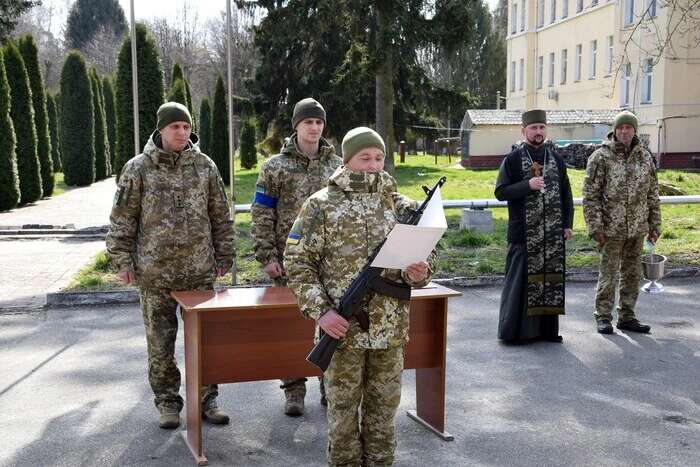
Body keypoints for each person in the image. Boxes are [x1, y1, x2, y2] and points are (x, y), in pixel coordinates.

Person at [285, 127, 434, 467]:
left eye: (379, 158)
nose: (372, 164)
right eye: (364, 157)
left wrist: (421, 272)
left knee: (383, 417)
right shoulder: (321, 205)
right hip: (342, 332)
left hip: (390, 331)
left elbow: (429, 255)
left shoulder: (401, 206)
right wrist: (321, 312)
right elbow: (298, 262)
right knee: (342, 418)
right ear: (348, 159)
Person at [106, 102, 234, 429]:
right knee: (161, 345)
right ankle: (168, 403)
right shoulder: (138, 169)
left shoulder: (204, 167)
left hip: (198, 272)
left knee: (205, 341)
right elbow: (122, 219)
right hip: (155, 275)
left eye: (186, 127)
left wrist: (224, 255)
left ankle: (208, 399)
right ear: (161, 129)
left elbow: (220, 215)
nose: (181, 132)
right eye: (175, 127)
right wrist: (121, 259)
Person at [251, 97, 342, 416]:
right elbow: (262, 212)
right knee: (292, 328)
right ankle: (293, 390)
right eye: (308, 122)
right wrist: (266, 255)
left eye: (318, 122)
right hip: (289, 261)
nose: (314, 128)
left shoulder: (337, 165)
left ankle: (330, 386)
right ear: (296, 126)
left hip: (330, 262)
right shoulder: (275, 166)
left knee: (331, 324)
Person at [495, 109, 574, 343]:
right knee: (521, 283)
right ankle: (517, 334)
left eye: (541, 127)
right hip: (523, 234)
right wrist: (527, 185)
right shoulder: (512, 160)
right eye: (533, 128)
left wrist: (567, 225)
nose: (538, 132)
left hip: (551, 236)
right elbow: (501, 192)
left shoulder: (556, 159)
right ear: (524, 131)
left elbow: (566, 194)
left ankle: (546, 332)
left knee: (549, 281)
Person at [583, 110, 661, 335]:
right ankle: (603, 316)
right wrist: (595, 227)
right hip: (610, 228)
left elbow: (652, 194)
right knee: (608, 273)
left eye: (628, 127)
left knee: (632, 273)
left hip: (637, 228)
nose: (624, 131)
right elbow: (590, 195)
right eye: (620, 128)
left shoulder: (645, 157)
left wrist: (655, 225)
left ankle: (627, 316)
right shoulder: (600, 157)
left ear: (635, 130)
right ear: (614, 131)